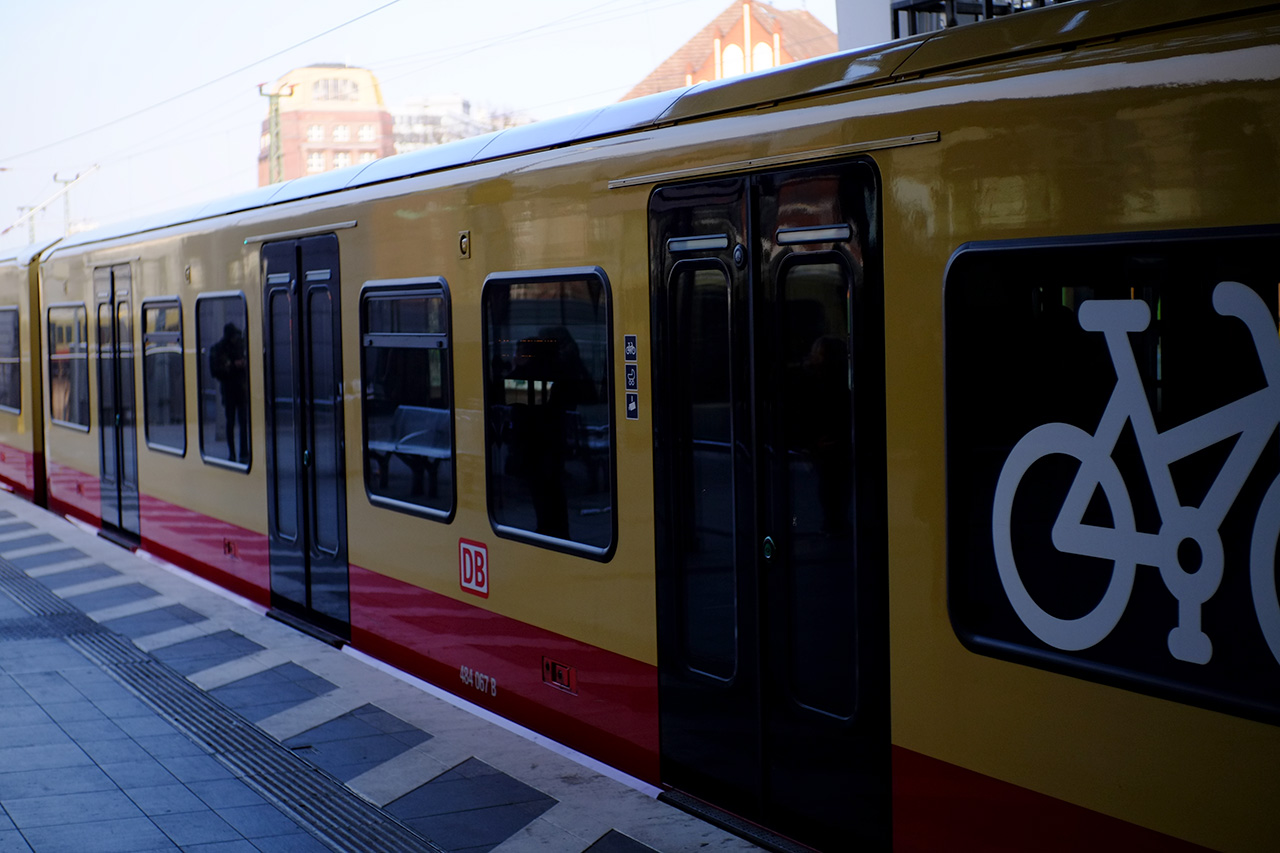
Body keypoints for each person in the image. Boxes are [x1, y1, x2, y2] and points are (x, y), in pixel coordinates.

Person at [210, 323, 249, 462]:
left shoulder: (239, 345)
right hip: (229, 390)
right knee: (231, 422)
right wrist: (233, 365)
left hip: (240, 389)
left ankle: (243, 452)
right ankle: (232, 453)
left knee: (243, 422)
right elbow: (217, 369)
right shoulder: (221, 348)